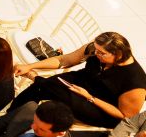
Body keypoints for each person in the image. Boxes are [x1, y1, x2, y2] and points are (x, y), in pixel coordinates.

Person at [12, 32, 146, 129]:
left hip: (102, 107)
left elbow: (124, 115)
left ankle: (36, 81)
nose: (96, 54)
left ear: (118, 55)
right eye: (96, 50)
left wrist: (90, 97)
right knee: (41, 87)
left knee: (50, 87)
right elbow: (64, 60)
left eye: (101, 53)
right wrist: (29, 66)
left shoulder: (135, 81)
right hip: (84, 81)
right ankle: (12, 115)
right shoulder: (96, 49)